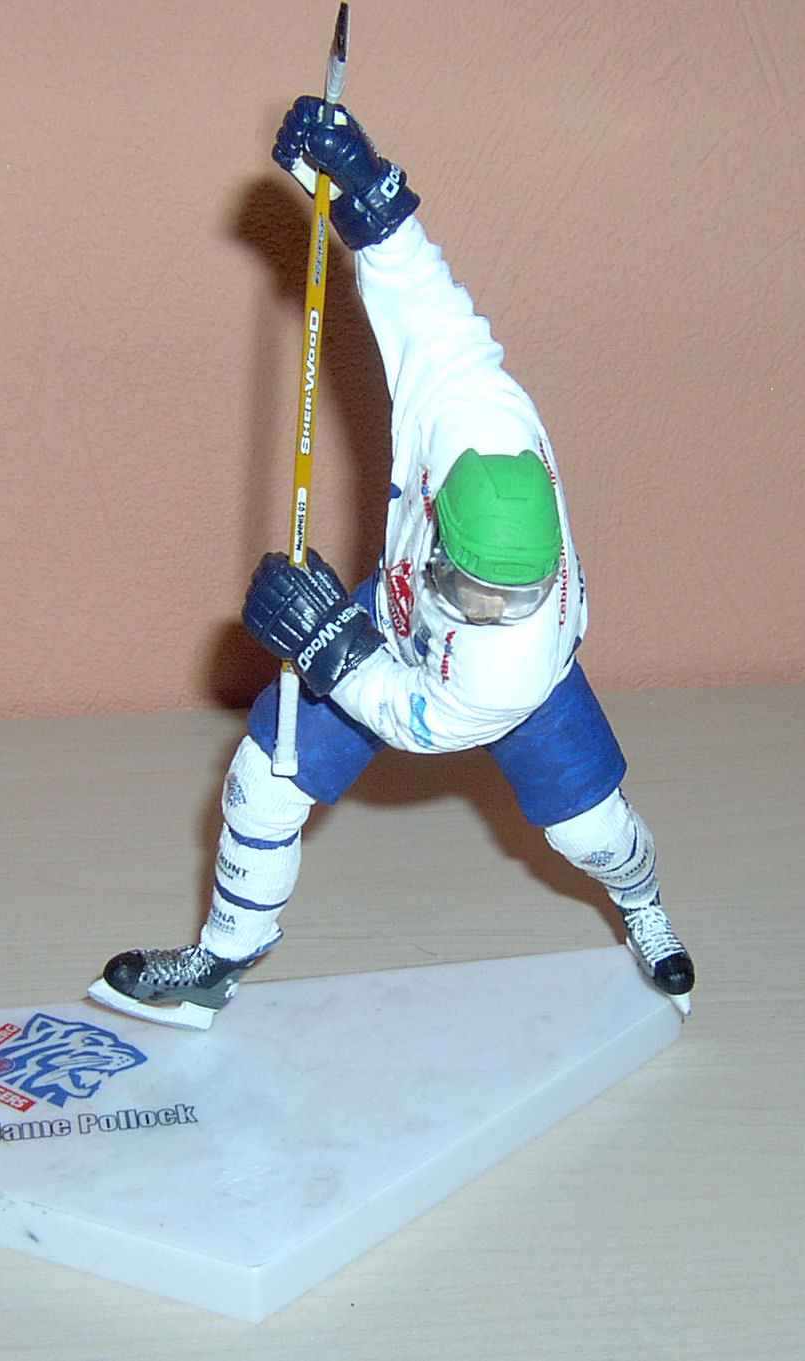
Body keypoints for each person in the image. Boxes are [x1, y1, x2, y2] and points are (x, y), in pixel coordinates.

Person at [92, 97, 695, 1026]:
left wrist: (330, 644)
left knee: (593, 830)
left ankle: (643, 902)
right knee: (264, 777)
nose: (494, 609)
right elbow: (424, 301)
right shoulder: (468, 409)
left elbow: (415, 721)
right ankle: (223, 957)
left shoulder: (510, 657)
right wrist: (367, 195)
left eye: (514, 597)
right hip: (394, 612)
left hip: (491, 697)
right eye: (479, 589)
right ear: (443, 522)